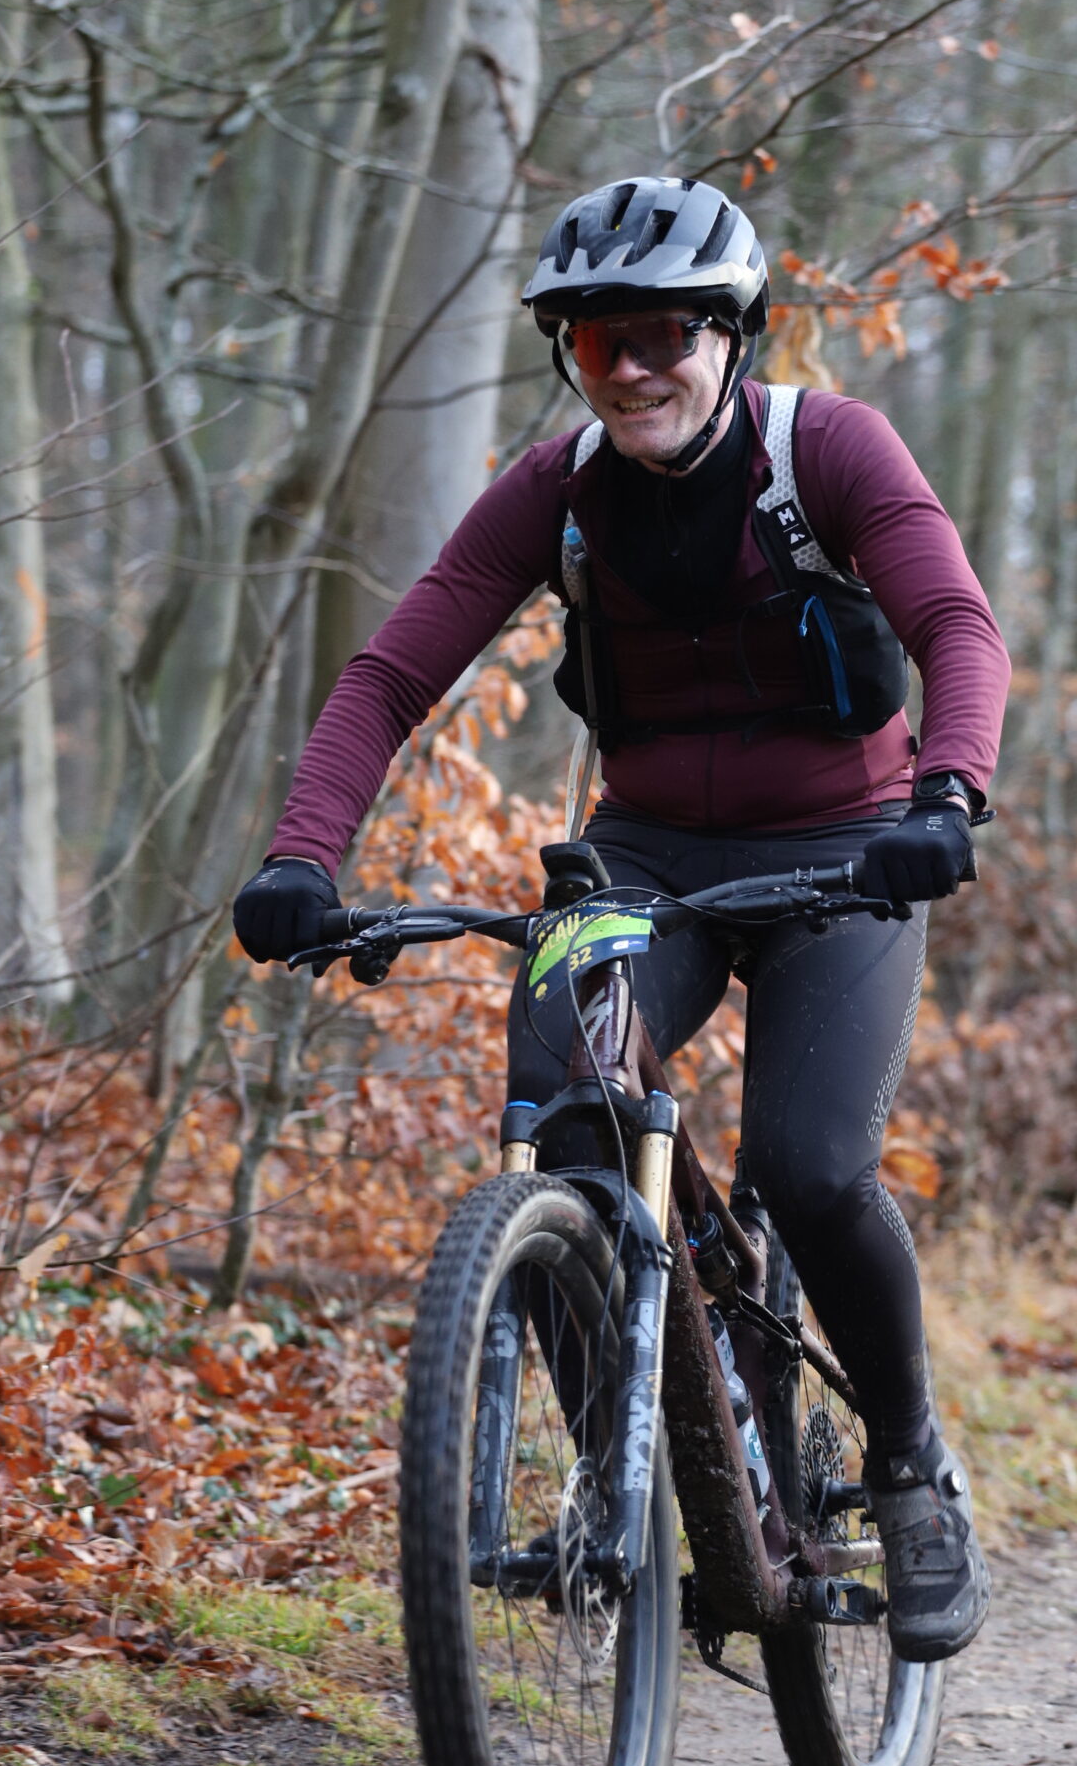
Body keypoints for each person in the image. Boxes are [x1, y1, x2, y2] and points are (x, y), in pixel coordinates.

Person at [233, 173, 1011, 1661]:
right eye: (600, 343)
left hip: (850, 850)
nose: (635, 367)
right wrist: (300, 860)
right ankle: (624, 1476)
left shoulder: (827, 450)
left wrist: (946, 797)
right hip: (647, 859)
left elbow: (954, 627)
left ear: (733, 337)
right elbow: (387, 679)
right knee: (562, 1112)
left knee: (808, 1161)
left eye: (666, 334)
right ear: (570, 358)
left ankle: (909, 1461)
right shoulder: (558, 491)